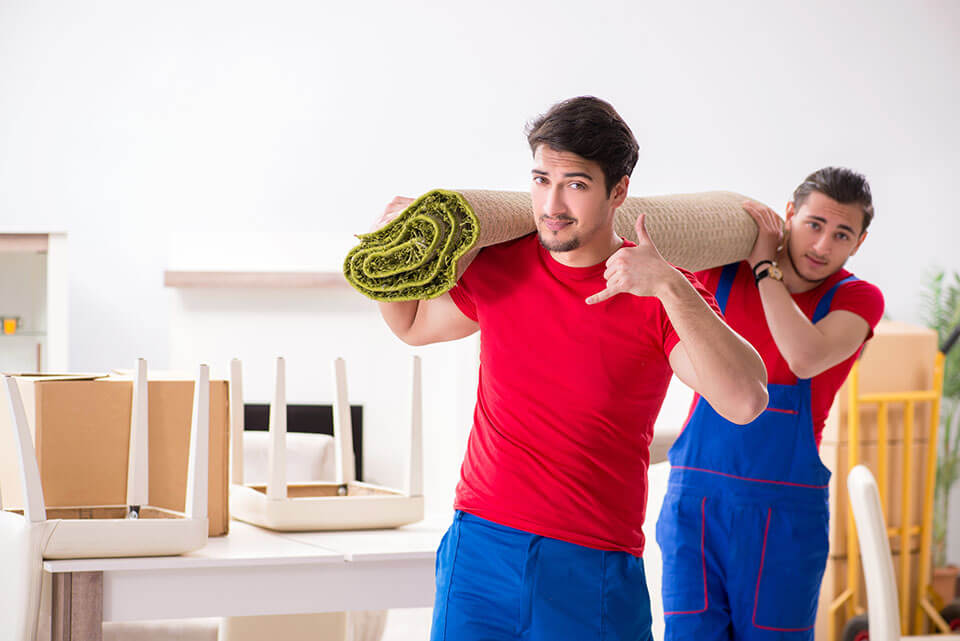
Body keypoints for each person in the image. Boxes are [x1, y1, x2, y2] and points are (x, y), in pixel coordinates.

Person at [374, 96, 768, 641]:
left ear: (618, 191)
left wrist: (671, 285)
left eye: (576, 184)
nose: (552, 204)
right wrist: (387, 249)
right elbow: (413, 326)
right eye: (541, 180)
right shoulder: (501, 264)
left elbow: (745, 400)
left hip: (593, 567)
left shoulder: (661, 291)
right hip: (480, 549)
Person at [657, 167, 884, 641]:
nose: (822, 245)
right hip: (694, 512)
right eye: (814, 225)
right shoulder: (719, 277)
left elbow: (803, 357)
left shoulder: (857, 299)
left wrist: (766, 269)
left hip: (784, 522)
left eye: (841, 234)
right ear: (788, 216)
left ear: (858, 244)